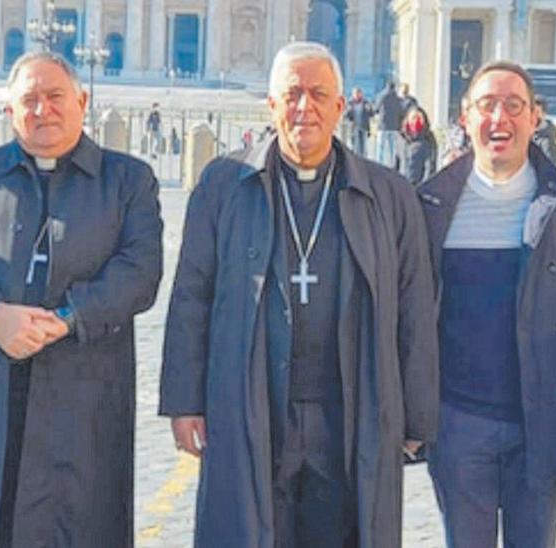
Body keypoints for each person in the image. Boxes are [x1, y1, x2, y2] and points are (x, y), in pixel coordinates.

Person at [159, 41, 438, 547]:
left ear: (340, 107)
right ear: (270, 105)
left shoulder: (389, 194)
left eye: (317, 94)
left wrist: (416, 414)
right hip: (252, 404)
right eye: (291, 94)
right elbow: (191, 296)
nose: (303, 107)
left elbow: (415, 306)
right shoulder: (224, 185)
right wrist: (184, 401)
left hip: (349, 409)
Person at [0, 51, 163, 548]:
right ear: (9, 111)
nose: (42, 110)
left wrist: (67, 317)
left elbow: (139, 272)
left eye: (55, 97)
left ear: (82, 100)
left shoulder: (128, 181)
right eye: (28, 100)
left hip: (83, 388)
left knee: (77, 523)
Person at [418, 60, 556, 547]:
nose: (499, 119)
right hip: (458, 423)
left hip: (543, 416)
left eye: (513, 105)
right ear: (464, 117)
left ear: (535, 117)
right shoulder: (427, 204)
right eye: (487, 105)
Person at [396, 105, 437, 186]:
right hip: (401, 185)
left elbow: (430, 167)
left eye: (419, 118)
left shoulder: (428, 140)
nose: (416, 121)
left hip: (418, 186)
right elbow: (396, 164)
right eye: (413, 118)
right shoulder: (401, 139)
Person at [373, 80, 406, 167]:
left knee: (380, 148)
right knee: (392, 148)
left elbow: (375, 109)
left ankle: (378, 164)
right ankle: (392, 165)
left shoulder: (381, 96)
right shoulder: (397, 99)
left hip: (382, 126)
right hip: (394, 126)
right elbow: (401, 111)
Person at [531, 96, 556, 165]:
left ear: (544, 114)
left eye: (537, 112)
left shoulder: (548, 142)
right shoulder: (527, 136)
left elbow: (553, 168)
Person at [345, 86, 373, 158]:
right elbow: (346, 116)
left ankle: (363, 160)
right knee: (355, 146)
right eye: (356, 94)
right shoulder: (350, 103)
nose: (357, 95)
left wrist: (369, 109)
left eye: (359, 93)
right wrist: (349, 110)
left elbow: (371, 114)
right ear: (353, 94)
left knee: (363, 147)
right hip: (354, 128)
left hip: (363, 127)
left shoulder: (365, 102)